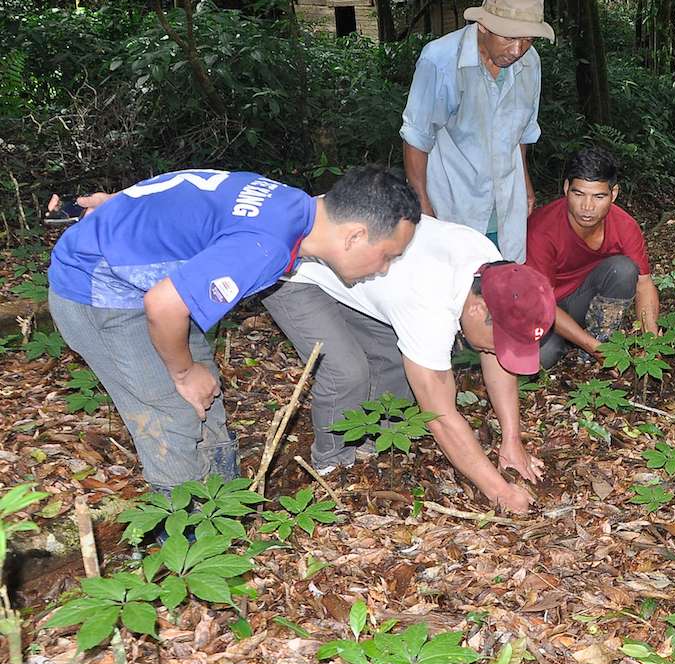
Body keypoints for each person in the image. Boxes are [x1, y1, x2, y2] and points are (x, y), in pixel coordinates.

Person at [47, 166, 419, 499]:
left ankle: (225, 513)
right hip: (99, 292)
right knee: (174, 415)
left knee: (205, 399)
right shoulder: (266, 245)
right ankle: (190, 542)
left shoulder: (292, 204)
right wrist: (182, 372)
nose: (384, 269)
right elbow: (163, 305)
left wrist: (121, 206)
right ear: (355, 236)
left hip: (151, 285)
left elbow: (192, 194)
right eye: (387, 255)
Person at [263, 215, 555, 512]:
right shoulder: (428, 305)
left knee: (396, 357)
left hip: (365, 270)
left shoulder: (496, 273)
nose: (496, 349)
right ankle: (332, 469)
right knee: (347, 372)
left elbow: (496, 356)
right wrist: (500, 492)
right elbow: (440, 416)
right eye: (500, 340)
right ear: (478, 308)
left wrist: (512, 439)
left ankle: (372, 443)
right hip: (295, 266)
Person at [401, 0, 555, 263]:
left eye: (529, 39)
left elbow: (519, 135)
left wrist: (526, 185)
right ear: (483, 25)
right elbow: (416, 139)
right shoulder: (440, 60)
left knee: (504, 286)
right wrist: (422, 208)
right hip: (455, 203)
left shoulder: (530, 63)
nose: (518, 49)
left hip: (507, 203)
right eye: (509, 37)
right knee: (460, 290)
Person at [525, 147, 659, 369]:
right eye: (579, 194)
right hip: (544, 306)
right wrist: (593, 347)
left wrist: (652, 340)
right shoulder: (541, 229)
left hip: (581, 300)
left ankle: (599, 337)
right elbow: (541, 305)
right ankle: (582, 343)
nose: (587, 207)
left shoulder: (625, 226)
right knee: (543, 357)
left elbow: (644, 284)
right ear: (566, 188)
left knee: (624, 269)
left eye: (598, 196)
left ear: (613, 194)